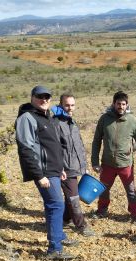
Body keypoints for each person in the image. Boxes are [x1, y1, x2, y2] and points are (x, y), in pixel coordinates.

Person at [15, 86, 77, 261]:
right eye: (40, 97)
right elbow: (26, 148)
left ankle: (59, 237)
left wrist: (60, 169)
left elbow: (52, 146)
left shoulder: (46, 116)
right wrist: (39, 175)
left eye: (47, 97)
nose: (44, 100)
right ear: (32, 97)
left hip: (53, 170)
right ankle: (55, 248)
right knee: (56, 204)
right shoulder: (27, 118)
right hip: (43, 172)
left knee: (56, 205)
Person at [91, 91, 136, 223]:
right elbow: (96, 141)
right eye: (118, 104)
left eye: (123, 104)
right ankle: (102, 211)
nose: (121, 106)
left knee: (131, 191)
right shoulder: (104, 119)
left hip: (125, 164)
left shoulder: (132, 121)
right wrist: (95, 162)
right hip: (107, 163)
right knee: (103, 189)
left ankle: (135, 214)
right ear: (113, 104)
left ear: (127, 105)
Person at [52, 94, 95, 237]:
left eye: (72, 105)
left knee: (70, 196)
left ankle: (65, 219)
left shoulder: (71, 122)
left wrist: (84, 166)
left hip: (74, 166)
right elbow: (54, 148)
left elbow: (79, 146)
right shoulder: (56, 122)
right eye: (67, 105)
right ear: (60, 105)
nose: (70, 108)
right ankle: (81, 225)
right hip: (65, 169)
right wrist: (60, 168)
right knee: (73, 198)